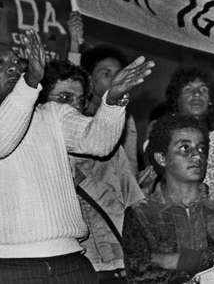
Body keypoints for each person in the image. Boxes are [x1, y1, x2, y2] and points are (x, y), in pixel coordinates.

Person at [0, 31, 154, 283]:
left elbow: (99, 142)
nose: (11, 68)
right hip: (8, 265)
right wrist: (29, 84)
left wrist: (113, 101)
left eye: (15, 62)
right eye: (0, 63)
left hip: (71, 259)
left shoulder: (52, 112)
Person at [40, 60, 144, 283]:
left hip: (119, 265)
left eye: (80, 100)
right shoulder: (33, 154)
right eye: (64, 99)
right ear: (40, 104)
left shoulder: (109, 146)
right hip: (69, 268)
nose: (73, 108)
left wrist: (137, 257)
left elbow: (134, 204)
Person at [123, 114, 214, 283]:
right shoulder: (142, 214)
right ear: (162, 158)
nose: (197, 156)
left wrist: (179, 261)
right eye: (185, 148)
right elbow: (141, 276)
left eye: (201, 149)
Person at [138, 67, 214, 202]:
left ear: (210, 100)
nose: (197, 94)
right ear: (176, 98)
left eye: (203, 89)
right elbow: (154, 166)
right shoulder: (159, 129)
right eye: (188, 89)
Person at [68, 11, 140, 174]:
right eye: (106, 73)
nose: (115, 79)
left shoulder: (126, 118)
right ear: (89, 79)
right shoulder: (76, 109)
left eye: (119, 73)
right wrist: (74, 42)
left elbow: (130, 165)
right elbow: (71, 82)